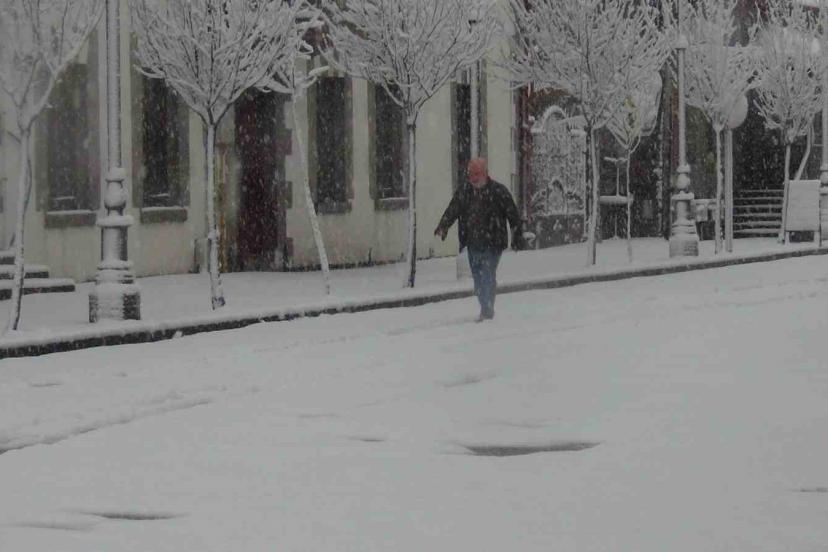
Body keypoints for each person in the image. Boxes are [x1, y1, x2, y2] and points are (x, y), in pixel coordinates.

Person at [434, 158, 523, 322]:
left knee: (487, 275)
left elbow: (513, 214)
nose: (473, 178)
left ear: (485, 173)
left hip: (493, 243)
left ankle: (487, 310)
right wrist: (443, 226)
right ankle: (485, 306)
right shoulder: (465, 192)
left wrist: (517, 237)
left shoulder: (498, 191)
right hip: (472, 242)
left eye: (476, 174)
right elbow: (453, 209)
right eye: (470, 174)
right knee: (478, 279)